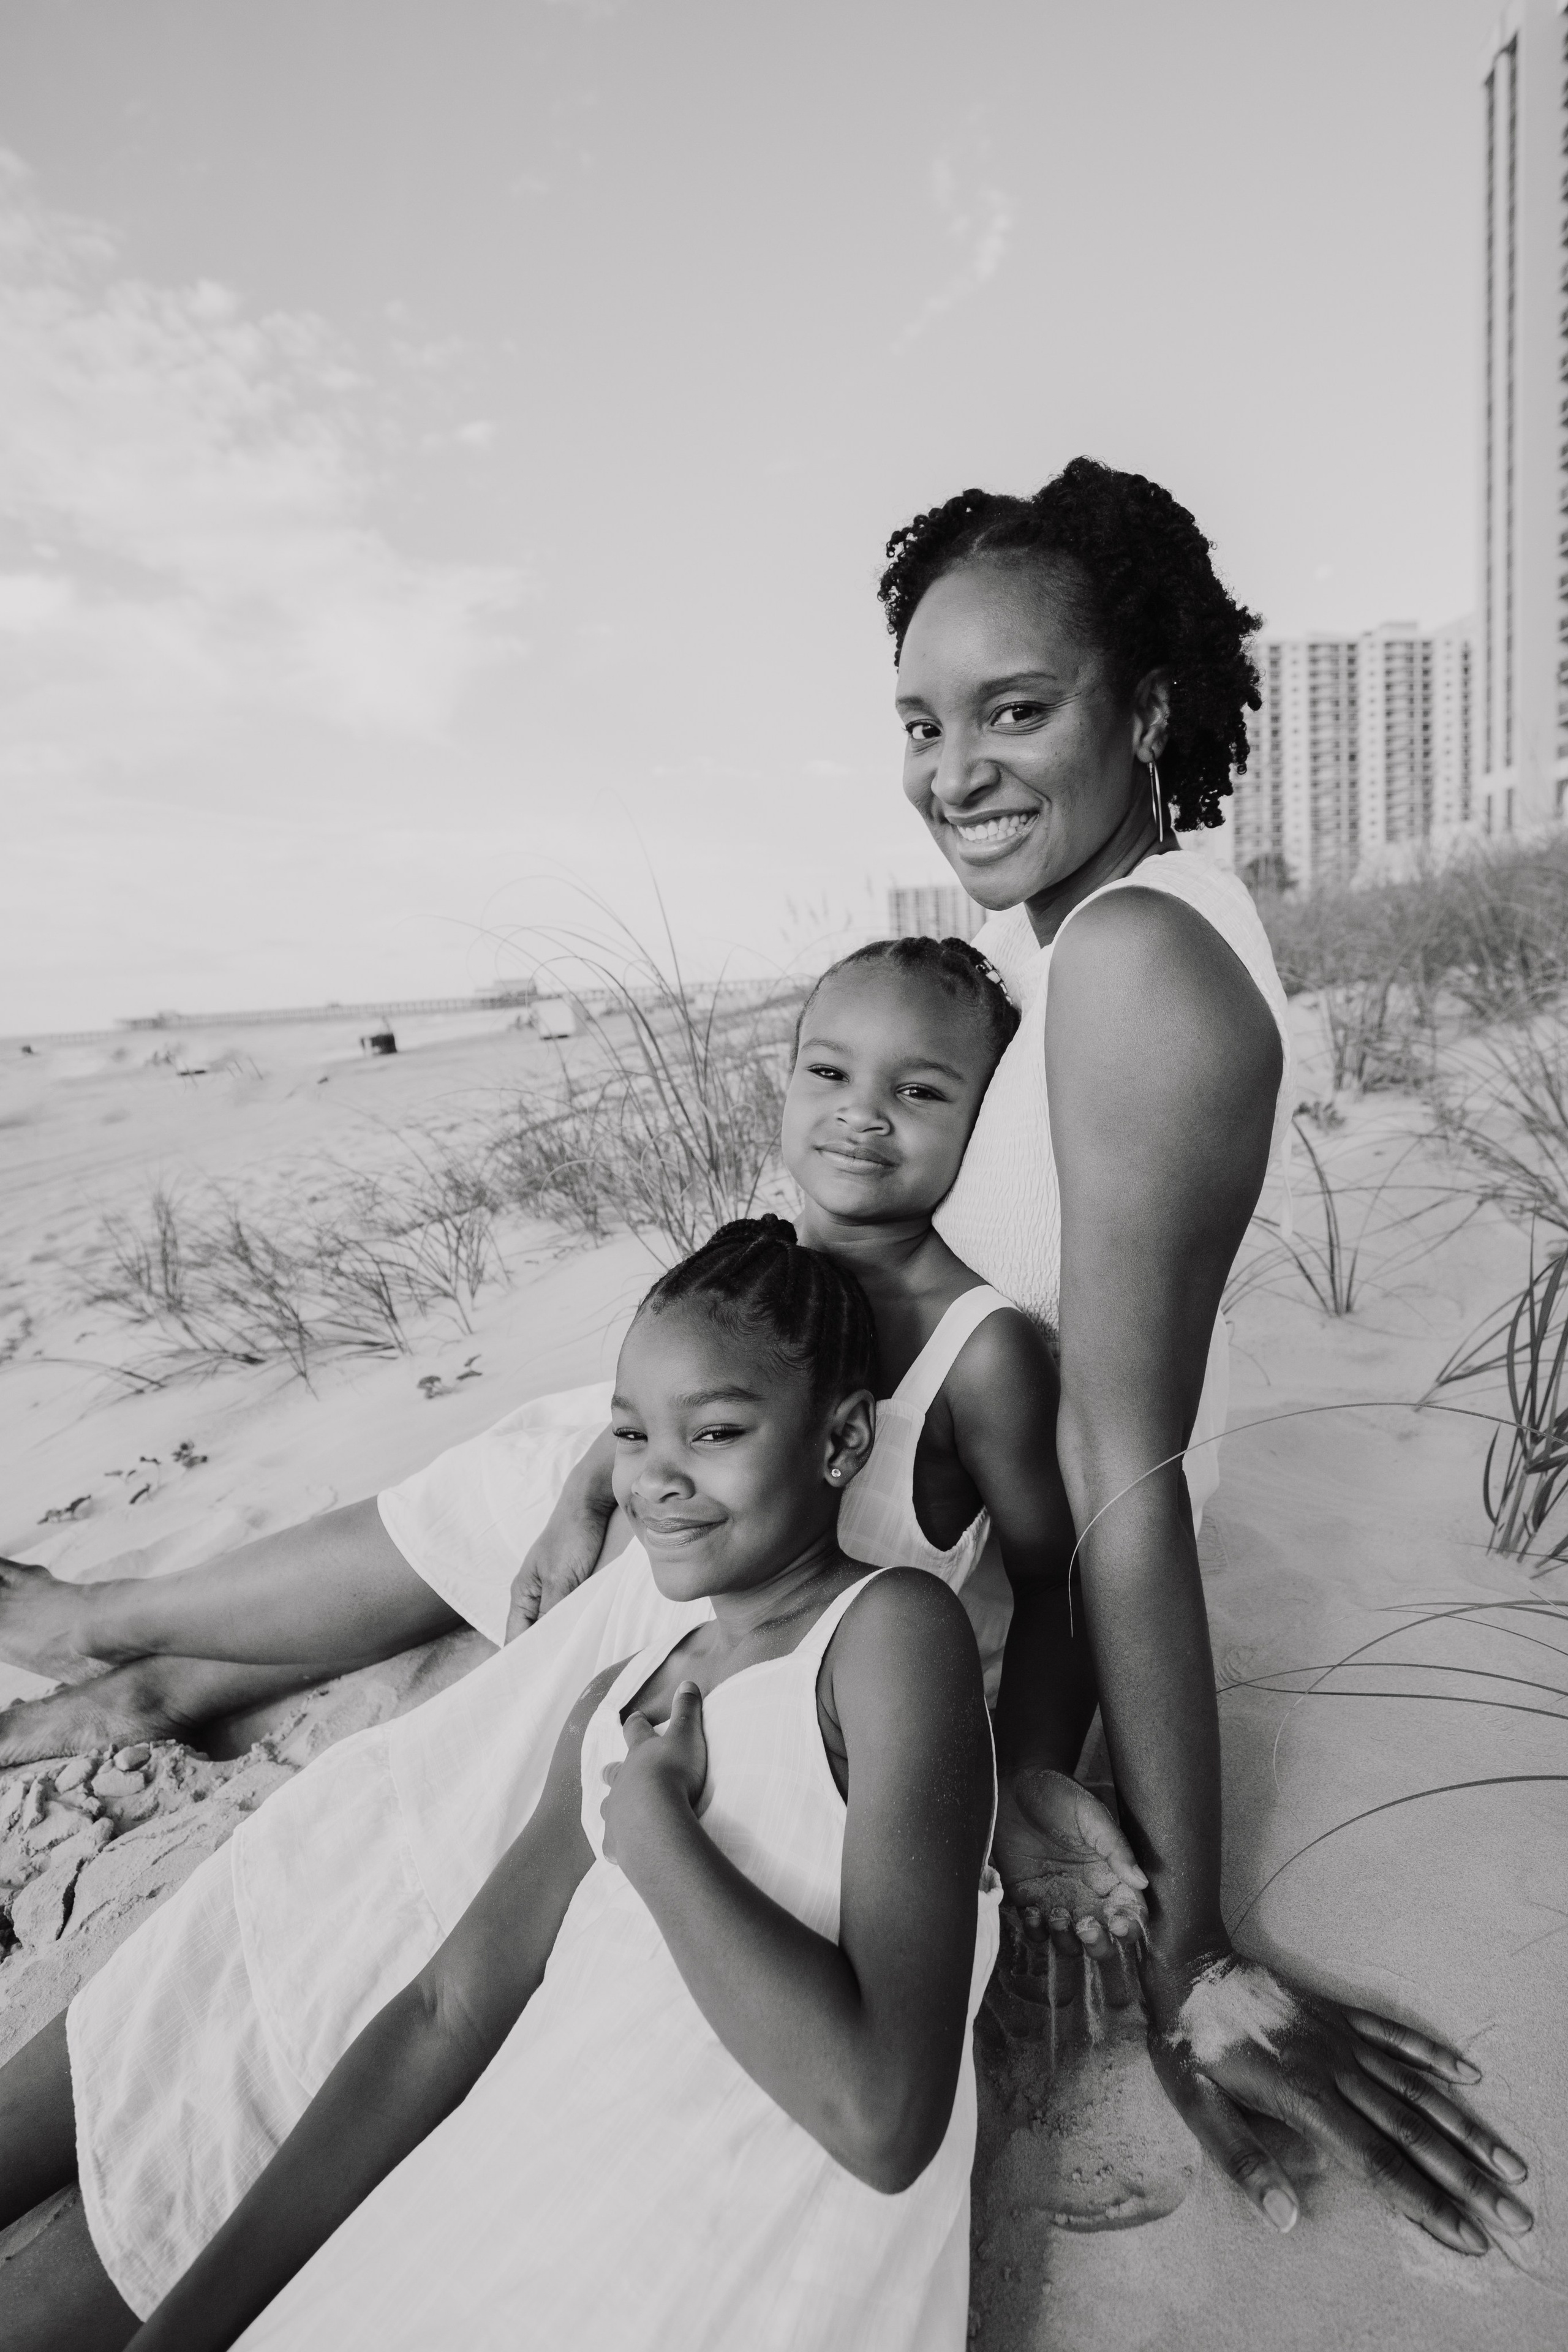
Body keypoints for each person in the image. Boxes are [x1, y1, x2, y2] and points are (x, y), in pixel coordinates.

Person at [0, 458, 1533, 2260]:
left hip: (836, 1579)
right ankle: (139, 1660)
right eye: (920, 719)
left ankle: (127, 1680)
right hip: (796, 1495)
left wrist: (1184, 1938)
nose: (954, 768)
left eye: (1016, 712)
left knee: (317, 1975)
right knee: (342, 1893)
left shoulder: (1134, 964)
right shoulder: (1066, 932)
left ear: (1154, 708)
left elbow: (1124, 1468)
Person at [3, 1224, 1002, 2352]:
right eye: (629, 1434)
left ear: (843, 1440)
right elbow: (443, 2013)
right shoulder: (619, 1699)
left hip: (725, 2265)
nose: (658, 1478)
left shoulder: (888, 1639)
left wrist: (657, 1835)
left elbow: (883, 2118)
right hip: (495, 2213)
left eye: (715, 1432)